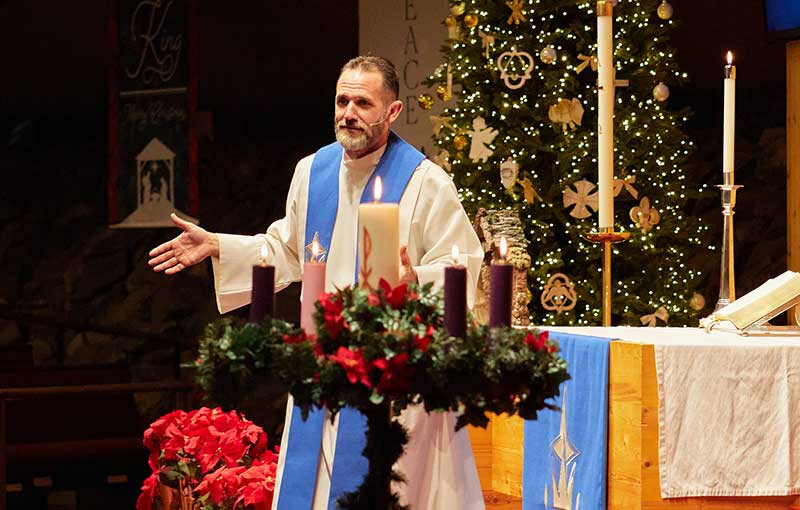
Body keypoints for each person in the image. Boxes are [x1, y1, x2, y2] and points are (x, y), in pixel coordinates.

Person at [148, 55, 485, 510]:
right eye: (342, 101)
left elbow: (462, 265)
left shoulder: (425, 183)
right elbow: (287, 251)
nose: (349, 113)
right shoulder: (312, 171)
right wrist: (218, 246)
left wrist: (416, 282)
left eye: (363, 103)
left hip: (394, 384)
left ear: (392, 111)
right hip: (321, 374)